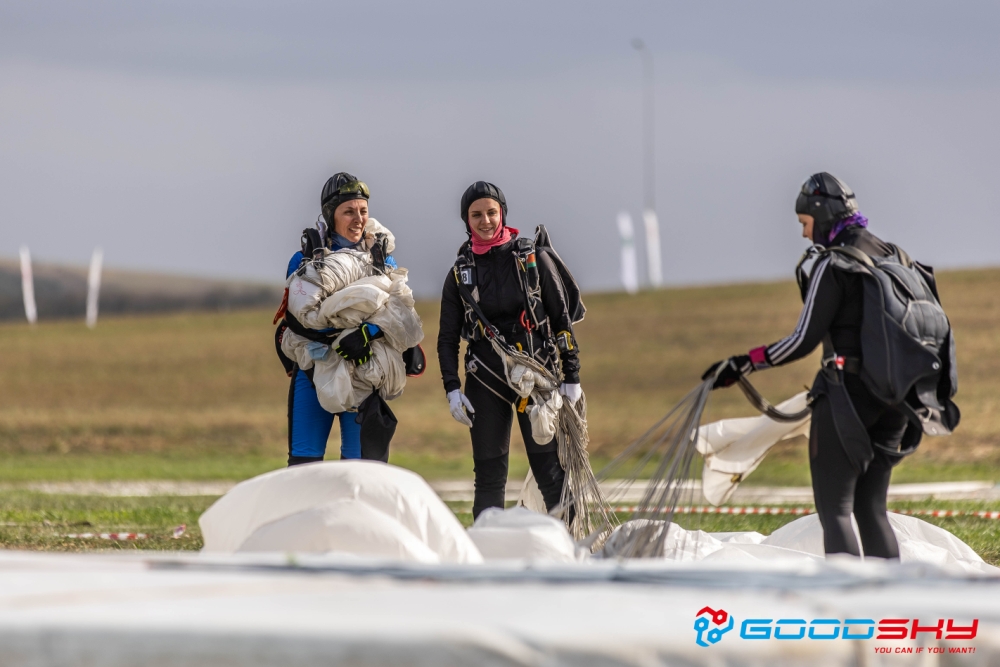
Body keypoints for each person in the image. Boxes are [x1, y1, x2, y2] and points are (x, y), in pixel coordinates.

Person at [703, 172, 958, 559]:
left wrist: (742, 363)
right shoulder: (894, 255)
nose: (805, 234)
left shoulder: (835, 262)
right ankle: (892, 591)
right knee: (871, 508)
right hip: (896, 397)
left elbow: (801, 340)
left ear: (821, 216)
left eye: (805, 223)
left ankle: (849, 594)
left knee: (835, 510)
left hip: (846, 398)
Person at [437, 182, 584, 518]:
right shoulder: (460, 274)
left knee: (551, 473)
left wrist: (571, 375)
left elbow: (561, 320)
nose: (485, 221)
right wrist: (452, 388)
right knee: (488, 478)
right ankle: (487, 547)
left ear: (502, 212)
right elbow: (447, 338)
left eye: (491, 212)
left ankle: (572, 543)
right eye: (476, 215)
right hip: (485, 381)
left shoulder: (533, 259)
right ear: (466, 220)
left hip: (535, 378)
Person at [276, 172, 398, 466]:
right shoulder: (303, 261)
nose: (359, 219)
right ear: (331, 215)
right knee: (303, 468)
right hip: (312, 371)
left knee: (360, 471)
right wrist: (343, 333)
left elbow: (398, 311)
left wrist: (367, 333)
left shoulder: (382, 260)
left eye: (363, 211)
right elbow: (299, 315)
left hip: (363, 374)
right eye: (349, 212)